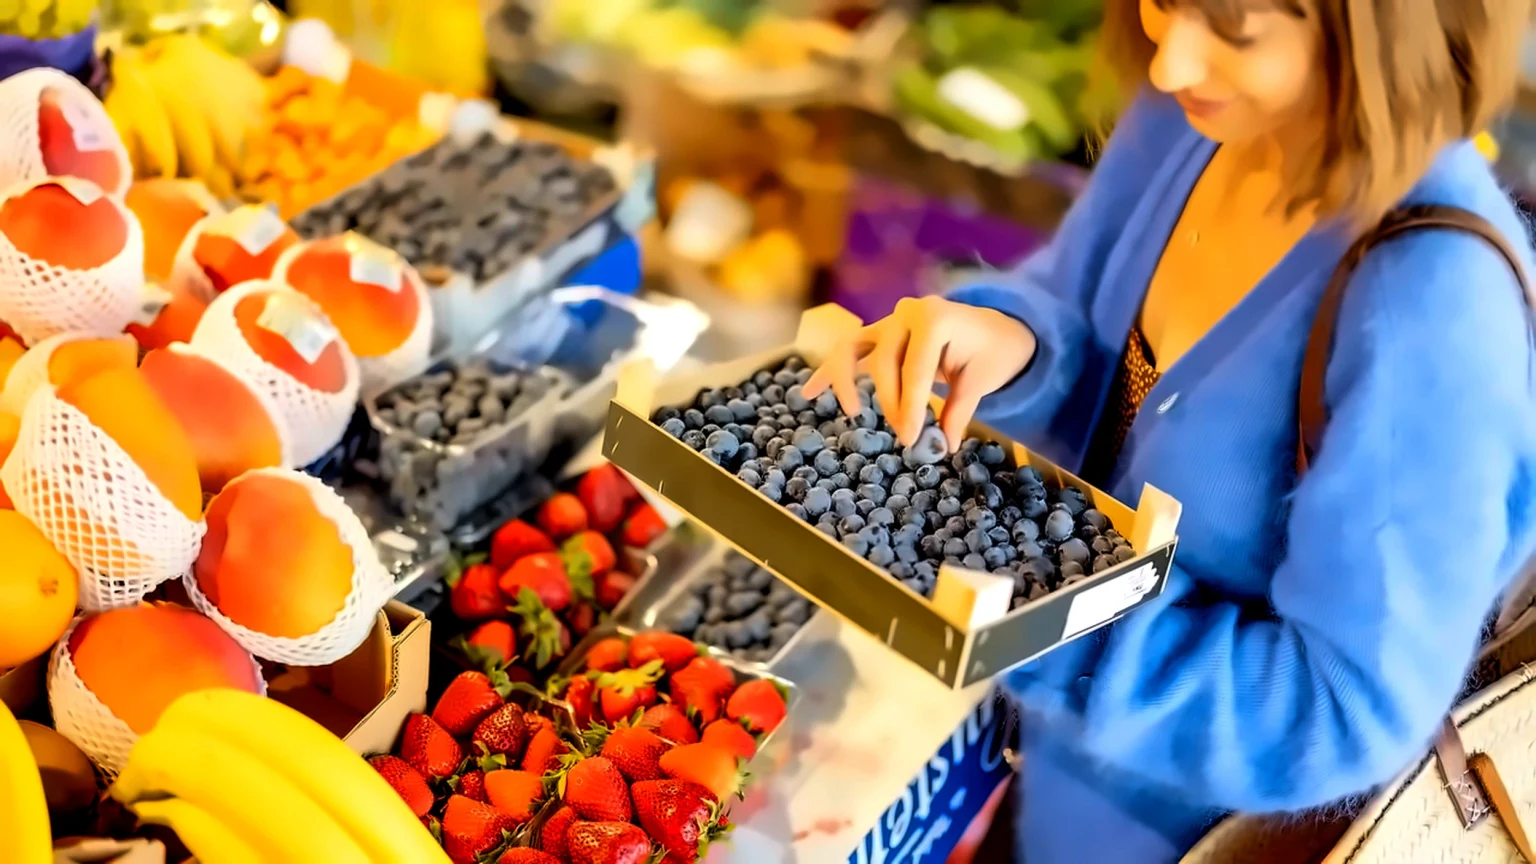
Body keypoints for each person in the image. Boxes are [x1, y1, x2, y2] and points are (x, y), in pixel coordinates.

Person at [805, 0, 1536, 861]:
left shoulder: (1431, 307)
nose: (1169, 63)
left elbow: (1340, 713)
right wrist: (1017, 343)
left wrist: (1036, 623)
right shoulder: (1188, 122)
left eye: (1237, 27)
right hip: (1035, 783)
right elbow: (1087, 327)